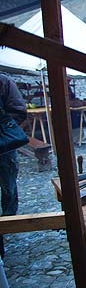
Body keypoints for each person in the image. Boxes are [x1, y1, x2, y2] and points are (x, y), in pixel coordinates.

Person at [0, 74, 27, 258]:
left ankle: (8, 224)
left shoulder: (3, 81)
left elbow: (18, 110)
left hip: (3, 148)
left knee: (8, 188)